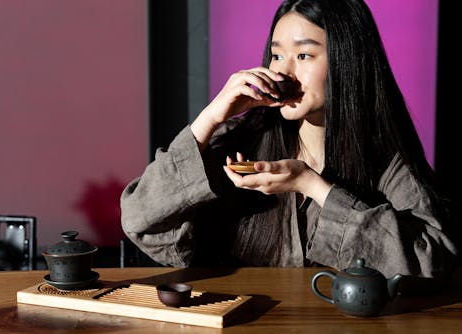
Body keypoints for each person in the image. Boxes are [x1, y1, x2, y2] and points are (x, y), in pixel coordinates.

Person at [120, 0, 458, 282]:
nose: (283, 72)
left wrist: (312, 185)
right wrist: (210, 118)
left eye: (304, 56)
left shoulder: (384, 160)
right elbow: (139, 221)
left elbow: (434, 262)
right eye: (277, 55)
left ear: (346, 62)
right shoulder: (240, 142)